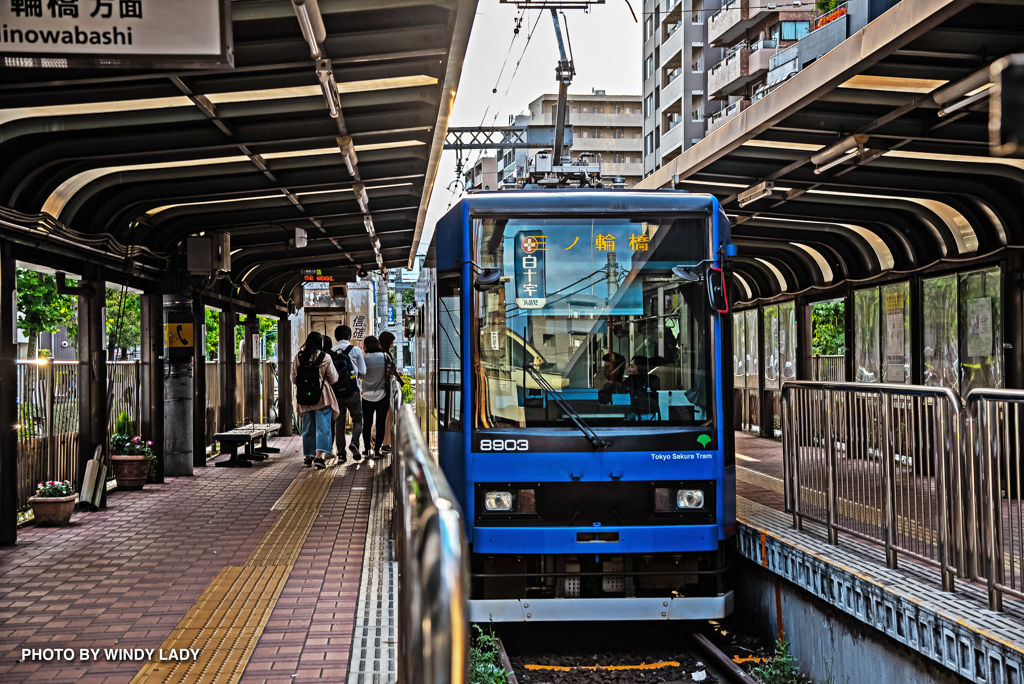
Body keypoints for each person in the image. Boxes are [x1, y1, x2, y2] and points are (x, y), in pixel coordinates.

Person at [291, 331, 339, 469]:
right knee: (323, 427)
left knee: (307, 427)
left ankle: (308, 457)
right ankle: (319, 457)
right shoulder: (326, 357)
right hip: (322, 398)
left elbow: (293, 378)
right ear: (320, 343)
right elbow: (334, 378)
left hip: (305, 397)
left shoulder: (298, 357)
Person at [331, 325, 365, 462]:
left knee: (339, 423)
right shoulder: (355, 350)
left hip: (336, 394)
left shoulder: (330, 352)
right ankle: (354, 443)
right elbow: (363, 372)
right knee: (357, 419)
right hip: (353, 392)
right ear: (349, 336)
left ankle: (341, 454)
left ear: (335, 337)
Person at [361, 335, 390, 458]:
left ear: (366, 346)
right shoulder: (385, 356)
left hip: (366, 395)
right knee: (380, 424)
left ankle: (367, 449)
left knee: (367, 424)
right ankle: (377, 450)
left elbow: (359, 374)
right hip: (382, 395)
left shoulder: (363, 359)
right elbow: (391, 373)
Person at [376, 331, 401, 453]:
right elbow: (392, 371)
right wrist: (400, 380)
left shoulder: (378, 353)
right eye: (392, 341)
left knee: (383, 417)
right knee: (386, 417)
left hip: (378, 388)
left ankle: (381, 441)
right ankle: (382, 443)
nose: (393, 344)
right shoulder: (386, 355)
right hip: (385, 390)